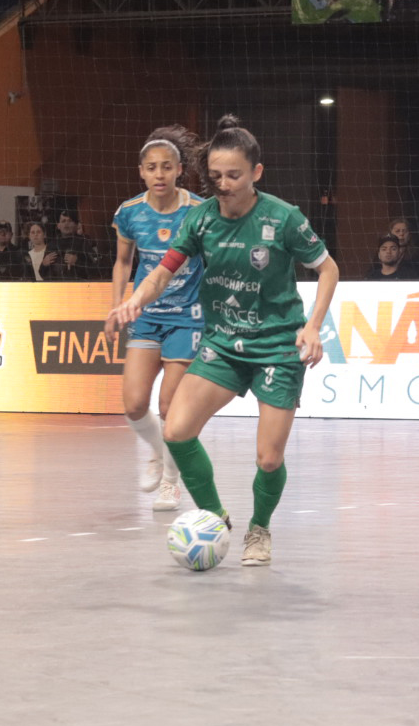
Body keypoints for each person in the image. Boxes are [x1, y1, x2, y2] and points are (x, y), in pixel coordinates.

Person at [107, 114, 340, 567]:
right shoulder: (201, 219)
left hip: (275, 348)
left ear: (256, 172)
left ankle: (260, 529)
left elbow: (327, 268)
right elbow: (161, 272)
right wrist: (135, 300)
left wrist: (311, 327)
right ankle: (215, 517)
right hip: (222, 345)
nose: (223, 184)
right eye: (215, 177)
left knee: (268, 459)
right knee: (175, 429)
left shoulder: (283, 217)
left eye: (234, 175)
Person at [108, 126, 204, 511]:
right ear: (141, 172)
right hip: (146, 316)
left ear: (180, 170)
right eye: (152, 168)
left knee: (169, 408)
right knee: (134, 405)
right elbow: (123, 262)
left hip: (188, 316)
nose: (160, 174)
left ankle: (170, 481)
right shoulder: (129, 213)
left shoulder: (198, 211)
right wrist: (116, 306)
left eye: (167, 166)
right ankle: (156, 448)